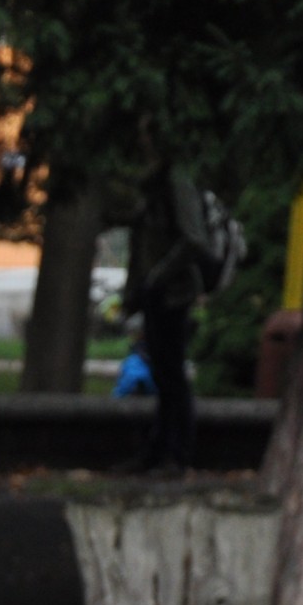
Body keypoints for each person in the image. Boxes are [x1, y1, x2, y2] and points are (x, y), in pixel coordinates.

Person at [121, 168, 201, 473]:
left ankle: (176, 453)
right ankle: (160, 450)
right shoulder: (152, 189)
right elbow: (141, 248)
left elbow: (192, 239)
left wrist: (157, 278)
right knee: (163, 374)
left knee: (171, 375)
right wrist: (135, 293)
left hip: (172, 295)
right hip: (155, 294)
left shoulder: (175, 184)